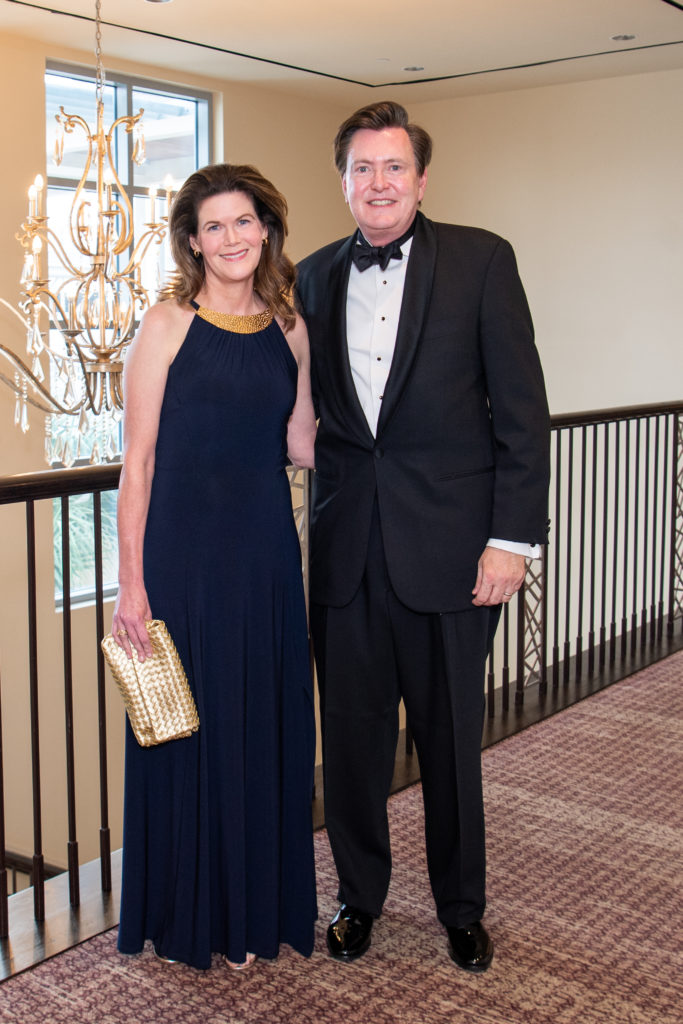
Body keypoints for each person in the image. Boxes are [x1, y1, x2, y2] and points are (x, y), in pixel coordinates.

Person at [296, 101, 550, 972]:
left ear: (420, 178)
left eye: (392, 167)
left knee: (449, 747)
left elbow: (520, 413)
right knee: (354, 746)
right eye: (361, 168)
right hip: (345, 554)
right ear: (342, 182)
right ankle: (357, 897)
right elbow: (309, 418)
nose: (377, 183)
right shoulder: (312, 275)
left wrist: (510, 542)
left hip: (451, 552)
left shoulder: (481, 260)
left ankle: (460, 907)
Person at [112, 163, 318, 970]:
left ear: (265, 228)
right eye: (214, 227)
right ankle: (188, 916)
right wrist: (132, 585)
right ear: (192, 242)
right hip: (182, 556)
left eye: (244, 222)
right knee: (186, 734)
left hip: (265, 552)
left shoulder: (290, 329)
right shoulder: (166, 324)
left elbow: (301, 444)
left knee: (262, 725)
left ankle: (253, 913)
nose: (231, 238)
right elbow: (139, 464)